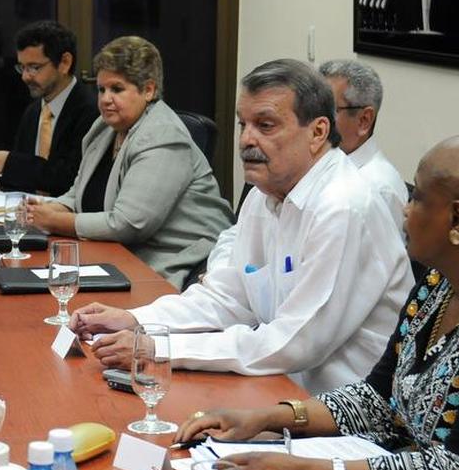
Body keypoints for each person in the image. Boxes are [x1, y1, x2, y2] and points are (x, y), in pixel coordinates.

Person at [174, 134, 459, 470]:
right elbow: (379, 396)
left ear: (458, 220)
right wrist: (265, 418)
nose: (406, 211)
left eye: (418, 198)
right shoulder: (437, 283)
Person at [70, 59, 413, 394]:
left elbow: (295, 342)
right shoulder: (265, 195)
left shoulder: (344, 205)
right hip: (273, 387)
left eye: (265, 126)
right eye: (242, 124)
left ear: (318, 132)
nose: (246, 140)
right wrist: (135, 320)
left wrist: (158, 348)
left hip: (344, 416)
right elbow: (227, 297)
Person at [24, 36, 232, 288]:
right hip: (116, 255)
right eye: (101, 89)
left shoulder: (163, 135)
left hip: (175, 263)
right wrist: (48, 209)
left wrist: (56, 221)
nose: (105, 99)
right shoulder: (102, 128)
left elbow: (130, 224)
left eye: (117, 89)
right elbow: (78, 194)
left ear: (149, 90)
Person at [206, 58, 408, 271]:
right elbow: (236, 242)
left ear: (364, 120)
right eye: (243, 124)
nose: (246, 139)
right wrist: (220, 278)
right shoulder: (277, 182)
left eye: (330, 108)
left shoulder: (366, 193)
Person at [0, 20, 96, 195]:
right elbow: (22, 178)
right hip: (27, 214)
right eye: (22, 67)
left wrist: (8, 162)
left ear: (64, 63)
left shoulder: (90, 111)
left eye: (34, 67)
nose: (25, 77)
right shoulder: (33, 111)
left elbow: (70, 177)